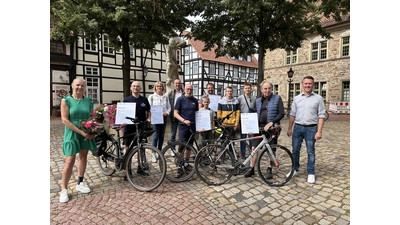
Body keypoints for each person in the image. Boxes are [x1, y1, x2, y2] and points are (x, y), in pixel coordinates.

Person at [59, 78, 97, 203]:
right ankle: (64, 189)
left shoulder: (88, 101)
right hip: (72, 132)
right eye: (78, 85)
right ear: (72, 86)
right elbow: (65, 120)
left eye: (82, 85)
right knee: (70, 160)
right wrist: (81, 132)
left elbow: (91, 117)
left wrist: (93, 128)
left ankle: (80, 182)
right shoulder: (66, 100)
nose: (80, 87)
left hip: (85, 132)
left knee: (83, 156)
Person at [287, 76, 326, 184]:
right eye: (306, 83)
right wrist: (290, 128)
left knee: (310, 151)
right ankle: (294, 169)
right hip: (298, 127)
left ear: (313, 85)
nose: (308, 85)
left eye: (310, 83)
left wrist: (319, 131)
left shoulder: (318, 99)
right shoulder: (297, 98)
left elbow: (321, 115)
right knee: (295, 150)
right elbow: (292, 114)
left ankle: (311, 172)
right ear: (302, 84)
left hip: (311, 128)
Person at [244, 81, 284, 178]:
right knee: (254, 148)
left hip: (271, 128)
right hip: (259, 128)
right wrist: (250, 126)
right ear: (261, 90)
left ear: (271, 89)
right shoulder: (258, 101)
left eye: (269, 88)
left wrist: (272, 122)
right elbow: (253, 114)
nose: (267, 90)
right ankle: (251, 168)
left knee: (270, 149)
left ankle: (269, 168)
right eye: (265, 89)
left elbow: (281, 113)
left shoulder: (277, 98)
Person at [122, 81, 151, 177]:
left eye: (137, 86)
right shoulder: (126, 100)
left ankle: (140, 168)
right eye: (134, 86)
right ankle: (128, 170)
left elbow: (148, 110)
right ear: (131, 88)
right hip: (129, 127)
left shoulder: (144, 100)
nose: (135, 88)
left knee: (141, 148)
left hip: (141, 127)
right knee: (128, 149)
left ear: (140, 89)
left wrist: (149, 118)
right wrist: (122, 120)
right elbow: (123, 113)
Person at [173, 83, 199, 178]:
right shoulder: (180, 99)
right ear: (184, 89)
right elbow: (175, 113)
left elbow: (197, 114)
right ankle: (179, 166)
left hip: (192, 127)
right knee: (181, 147)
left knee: (190, 147)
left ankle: (186, 164)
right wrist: (184, 120)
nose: (189, 90)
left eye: (191, 89)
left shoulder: (195, 100)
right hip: (183, 126)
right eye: (188, 89)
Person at [148, 81, 171, 162]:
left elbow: (169, 108)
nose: (159, 88)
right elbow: (149, 109)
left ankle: (159, 151)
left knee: (161, 136)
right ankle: (153, 153)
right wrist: (149, 117)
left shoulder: (166, 97)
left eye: (161, 86)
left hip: (163, 118)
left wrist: (167, 113)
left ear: (163, 87)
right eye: (157, 86)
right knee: (155, 136)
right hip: (155, 119)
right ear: (155, 88)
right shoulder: (151, 97)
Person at [237, 82, 257, 159]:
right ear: (243, 89)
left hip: (251, 120)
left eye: (249, 88)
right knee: (243, 138)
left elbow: (256, 109)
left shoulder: (254, 98)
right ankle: (243, 153)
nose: (247, 89)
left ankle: (252, 153)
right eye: (246, 88)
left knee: (251, 137)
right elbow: (238, 109)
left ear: (251, 89)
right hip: (243, 120)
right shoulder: (240, 98)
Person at [167, 78, 183, 156]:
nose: (177, 85)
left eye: (179, 83)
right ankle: (172, 149)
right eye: (176, 83)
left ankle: (180, 150)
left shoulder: (183, 93)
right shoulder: (170, 93)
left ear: (181, 84)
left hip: (182, 116)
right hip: (173, 116)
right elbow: (167, 104)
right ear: (174, 84)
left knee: (181, 134)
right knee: (173, 133)